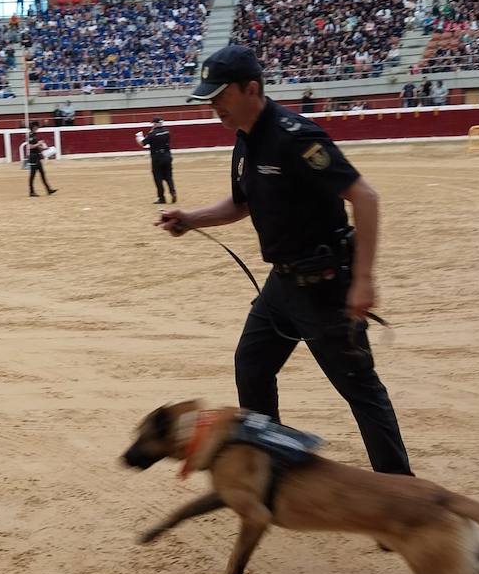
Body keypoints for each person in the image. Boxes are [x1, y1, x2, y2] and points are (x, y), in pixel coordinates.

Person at [155, 46, 410, 475]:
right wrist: (190, 218)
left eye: (220, 96)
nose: (214, 106)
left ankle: (402, 497)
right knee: (251, 366)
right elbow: (241, 205)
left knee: (361, 391)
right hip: (283, 285)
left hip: (325, 285)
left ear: (250, 89)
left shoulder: (297, 136)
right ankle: (269, 469)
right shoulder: (245, 140)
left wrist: (364, 280)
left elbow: (365, 197)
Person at [138, 116, 176, 204]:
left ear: (155, 124)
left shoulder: (152, 134)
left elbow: (143, 143)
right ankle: (173, 191)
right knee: (168, 177)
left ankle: (161, 198)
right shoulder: (167, 131)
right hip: (167, 156)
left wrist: (139, 137)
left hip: (157, 157)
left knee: (158, 178)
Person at [25, 120, 56, 197]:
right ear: (33, 127)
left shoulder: (33, 135)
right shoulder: (31, 135)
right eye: (36, 127)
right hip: (33, 157)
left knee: (42, 173)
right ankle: (32, 191)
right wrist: (39, 143)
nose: (37, 128)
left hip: (36, 156)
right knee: (33, 174)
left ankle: (48, 189)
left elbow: (36, 146)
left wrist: (44, 148)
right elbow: (30, 147)